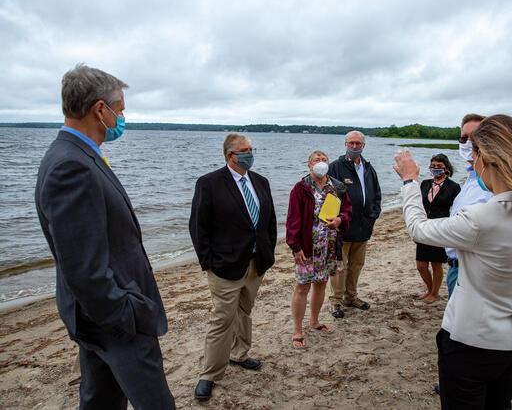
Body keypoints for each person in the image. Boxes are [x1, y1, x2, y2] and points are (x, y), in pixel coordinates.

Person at [393, 114, 512, 409]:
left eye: (477, 152)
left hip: (469, 341)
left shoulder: (483, 218)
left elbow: (418, 229)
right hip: (510, 340)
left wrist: (409, 181)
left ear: (488, 158)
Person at [35, 64, 175, 409]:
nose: (122, 118)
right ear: (101, 109)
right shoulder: (72, 166)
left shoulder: (74, 155)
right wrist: (126, 315)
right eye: (120, 110)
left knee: (100, 401)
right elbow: (84, 269)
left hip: (97, 316)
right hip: (114, 320)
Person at [189, 133, 277, 402]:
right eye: (245, 150)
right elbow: (198, 227)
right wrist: (208, 263)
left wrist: (268, 253)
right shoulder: (210, 183)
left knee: (244, 311)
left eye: (252, 149)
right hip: (224, 266)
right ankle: (210, 374)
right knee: (222, 318)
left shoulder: (260, 182)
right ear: (230, 155)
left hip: (255, 263)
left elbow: (270, 221)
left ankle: (240, 354)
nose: (250, 153)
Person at [286, 151, 352, 348]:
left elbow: (348, 210)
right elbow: (292, 220)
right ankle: (297, 329)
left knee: (321, 283)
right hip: (307, 247)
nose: (321, 163)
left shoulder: (337, 187)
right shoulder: (301, 188)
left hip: (330, 245)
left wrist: (341, 220)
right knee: (302, 286)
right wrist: (295, 246)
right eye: (317, 160)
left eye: (324, 160)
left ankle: (314, 321)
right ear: (309, 166)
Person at [327, 130, 382, 318]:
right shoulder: (335, 167)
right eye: (351, 143)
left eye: (358, 144)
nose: (355, 147)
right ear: (345, 145)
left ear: (363, 146)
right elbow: (330, 197)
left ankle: (351, 297)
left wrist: (373, 215)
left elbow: (376, 193)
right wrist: (337, 220)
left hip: (364, 225)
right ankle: (336, 301)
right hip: (343, 226)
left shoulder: (368, 168)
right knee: (339, 266)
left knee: (357, 264)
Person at [445, 114, 493, 299]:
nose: (467, 143)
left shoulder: (494, 182)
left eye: (474, 137)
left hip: (476, 269)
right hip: (456, 267)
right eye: (463, 138)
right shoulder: (472, 179)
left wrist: (410, 182)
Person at [415, 154, 460, 304]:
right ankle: (429, 288)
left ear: (446, 168)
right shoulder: (425, 184)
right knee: (421, 265)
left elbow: (457, 209)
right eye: (433, 166)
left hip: (441, 228)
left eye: (438, 166)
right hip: (424, 227)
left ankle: (434, 293)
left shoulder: (453, 187)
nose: (435, 169)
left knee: (436, 263)